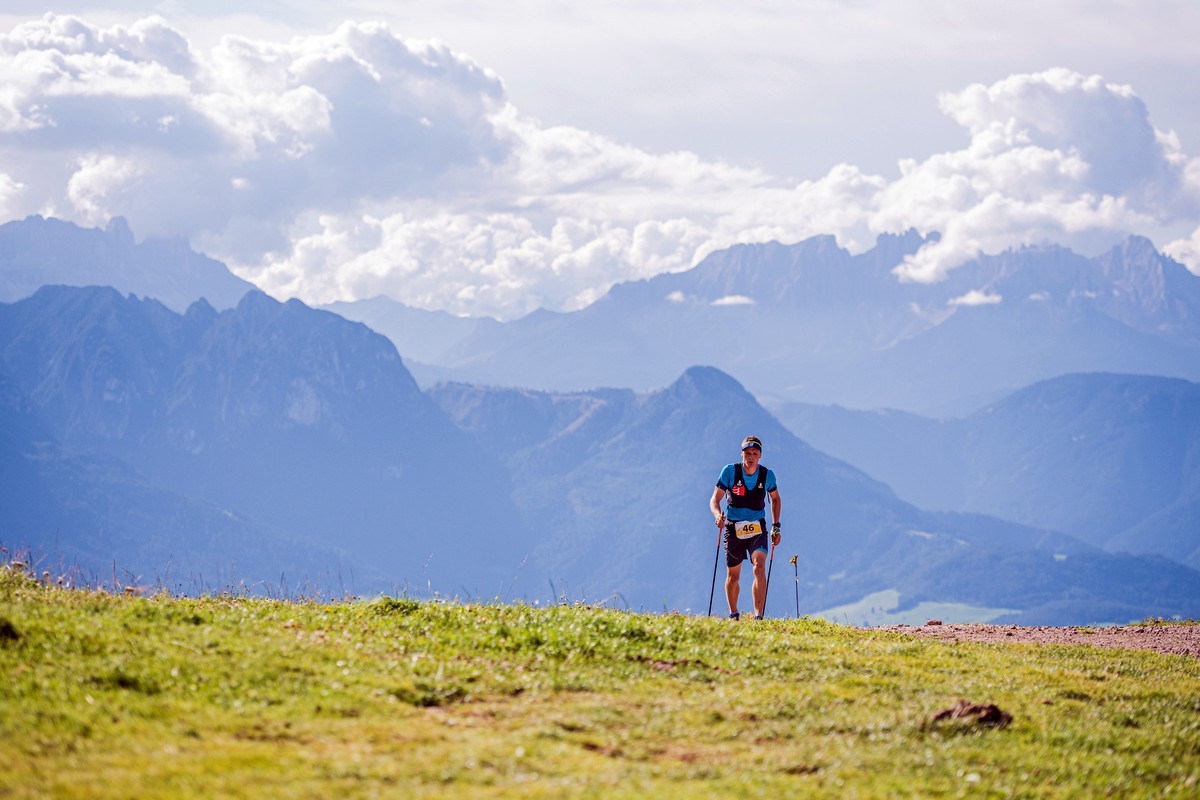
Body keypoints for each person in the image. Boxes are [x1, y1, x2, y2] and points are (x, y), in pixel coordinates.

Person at [709, 435, 781, 620]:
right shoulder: (729, 472)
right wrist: (718, 515)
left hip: (757, 527)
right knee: (733, 575)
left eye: (754, 453)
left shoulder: (767, 475)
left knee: (759, 566)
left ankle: (758, 617)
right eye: (747, 453)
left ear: (760, 456)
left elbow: (775, 499)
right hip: (733, 528)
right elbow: (714, 499)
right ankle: (734, 614)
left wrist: (776, 526)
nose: (750, 457)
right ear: (741, 454)